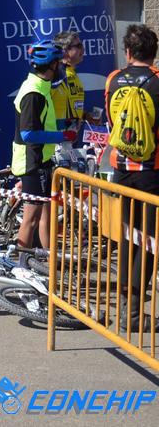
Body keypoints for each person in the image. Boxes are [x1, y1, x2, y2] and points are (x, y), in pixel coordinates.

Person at [104, 24, 159, 329]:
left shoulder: (113, 79)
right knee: (148, 241)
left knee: (127, 238)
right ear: (154, 52)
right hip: (152, 171)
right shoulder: (157, 80)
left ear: (127, 52)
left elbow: (112, 121)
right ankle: (134, 314)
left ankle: (125, 307)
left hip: (121, 169)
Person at [11, 40, 77, 250]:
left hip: (43, 159)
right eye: (60, 64)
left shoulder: (42, 86)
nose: (62, 68)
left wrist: (63, 125)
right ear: (53, 65)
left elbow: (42, 122)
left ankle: (49, 261)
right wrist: (61, 136)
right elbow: (28, 133)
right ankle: (22, 263)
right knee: (31, 219)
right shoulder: (34, 93)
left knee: (46, 216)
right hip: (32, 161)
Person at [51, 31, 89, 124]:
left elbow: (70, 106)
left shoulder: (71, 72)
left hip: (70, 132)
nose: (83, 49)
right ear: (65, 50)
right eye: (79, 46)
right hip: (56, 132)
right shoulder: (56, 74)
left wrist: (85, 116)